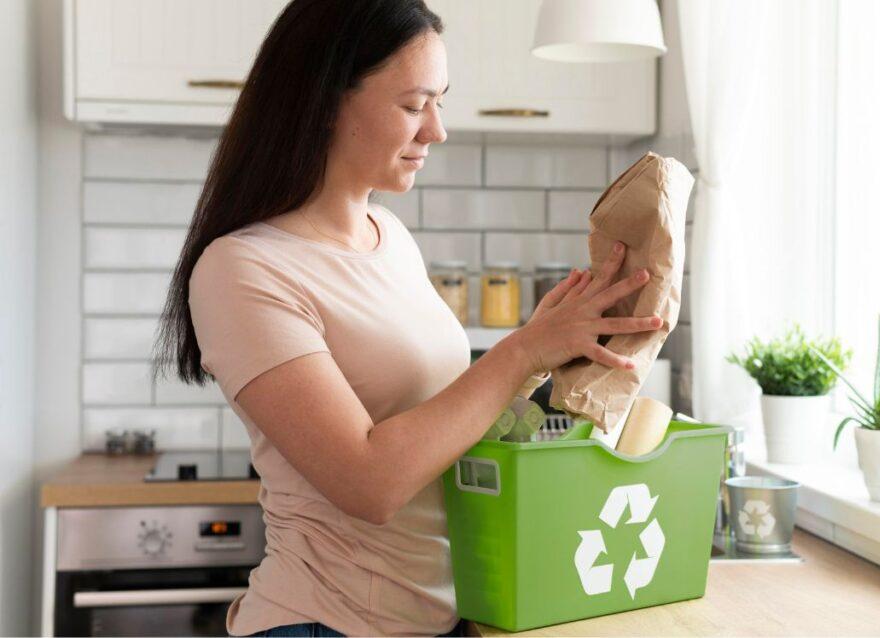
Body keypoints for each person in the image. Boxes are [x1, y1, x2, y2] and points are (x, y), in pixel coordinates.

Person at [155, 1, 662, 636]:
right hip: (324, 623)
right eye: (413, 104)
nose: (437, 130)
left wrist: (558, 355)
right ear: (327, 100)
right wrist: (522, 351)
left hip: (442, 616)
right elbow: (370, 481)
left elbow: (440, 423)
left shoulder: (389, 236)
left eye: (439, 102)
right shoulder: (243, 268)